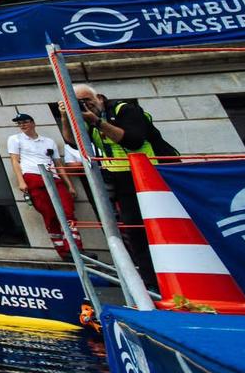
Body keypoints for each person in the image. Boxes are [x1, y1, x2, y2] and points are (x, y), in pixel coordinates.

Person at [58, 83, 178, 288]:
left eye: (87, 100)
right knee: (135, 232)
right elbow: (73, 142)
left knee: (165, 228)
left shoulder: (124, 110)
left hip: (153, 175)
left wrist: (96, 121)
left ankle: (176, 273)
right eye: (77, 103)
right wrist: (66, 116)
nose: (84, 105)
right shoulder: (84, 117)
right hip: (122, 180)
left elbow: (133, 141)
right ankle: (151, 282)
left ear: (100, 98)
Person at [5, 112, 82, 259]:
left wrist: (69, 185)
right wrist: (21, 181)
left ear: (33, 123)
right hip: (33, 176)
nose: (23, 125)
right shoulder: (15, 139)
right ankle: (63, 251)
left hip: (52, 176)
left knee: (67, 210)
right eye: (20, 123)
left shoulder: (48, 141)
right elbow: (15, 160)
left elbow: (58, 164)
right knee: (49, 214)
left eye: (25, 122)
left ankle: (76, 248)